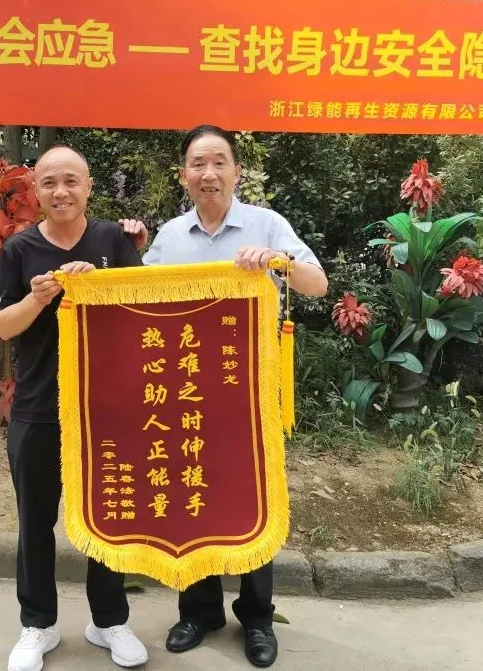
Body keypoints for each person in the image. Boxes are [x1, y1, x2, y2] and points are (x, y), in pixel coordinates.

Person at [121, 125, 328, 668]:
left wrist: (279, 262)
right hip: (187, 393)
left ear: (237, 171)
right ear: (183, 175)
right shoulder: (171, 236)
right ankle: (199, 611)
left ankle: (257, 617)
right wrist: (126, 252)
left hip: (250, 395)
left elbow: (318, 283)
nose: (208, 174)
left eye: (219, 163)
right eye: (198, 164)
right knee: (193, 494)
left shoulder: (266, 225)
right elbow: (134, 298)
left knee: (251, 498)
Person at [0, 145, 149, 671]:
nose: (61, 192)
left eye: (71, 181)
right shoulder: (18, 249)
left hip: (107, 407)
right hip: (38, 406)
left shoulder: (113, 240)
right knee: (35, 521)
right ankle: (37, 625)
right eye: (49, 183)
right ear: (35, 190)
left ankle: (109, 621)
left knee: (109, 515)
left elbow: (139, 310)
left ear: (88, 186)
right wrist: (37, 298)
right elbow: (2, 326)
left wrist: (98, 285)